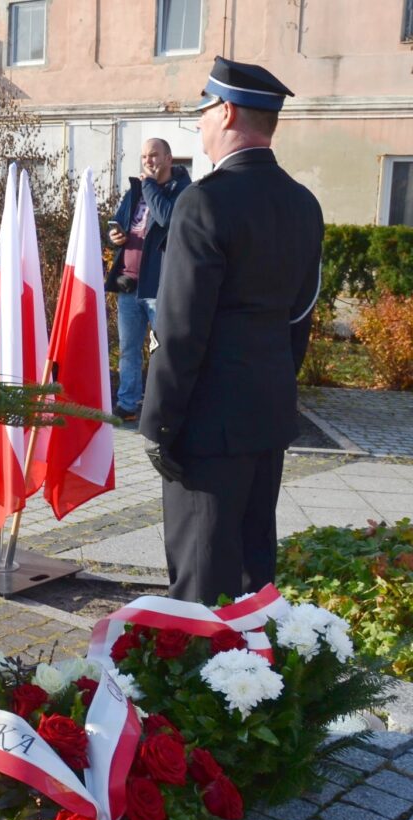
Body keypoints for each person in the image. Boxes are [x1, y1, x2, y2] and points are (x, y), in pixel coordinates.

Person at [139, 56, 323, 605]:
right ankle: (251, 685)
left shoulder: (206, 200)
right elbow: (300, 318)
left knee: (201, 587)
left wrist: (158, 421)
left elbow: (181, 328)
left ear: (226, 111)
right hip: (266, 415)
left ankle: (204, 687)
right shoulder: (302, 202)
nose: (197, 123)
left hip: (206, 425)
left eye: (203, 111)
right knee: (253, 581)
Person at [105, 138, 191, 422]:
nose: (148, 161)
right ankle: (127, 405)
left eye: (154, 155)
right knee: (129, 350)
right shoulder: (136, 191)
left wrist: (150, 186)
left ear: (169, 158)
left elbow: (167, 218)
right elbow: (119, 224)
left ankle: (163, 408)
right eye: (144, 156)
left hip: (159, 287)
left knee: (163, 351)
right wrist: (114, 237)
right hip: (128, 286)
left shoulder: (183, 191)